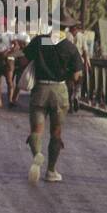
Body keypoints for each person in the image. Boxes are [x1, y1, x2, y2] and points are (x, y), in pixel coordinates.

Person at [23, 25, 83, 184]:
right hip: (59, 91)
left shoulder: (40, 41)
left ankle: (37, 154)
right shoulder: (70, 47)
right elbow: (77, 75)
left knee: (37, 130)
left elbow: (25, 58)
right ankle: (51, 171)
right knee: (56, 133)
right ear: (67, 28)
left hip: (40, 89)